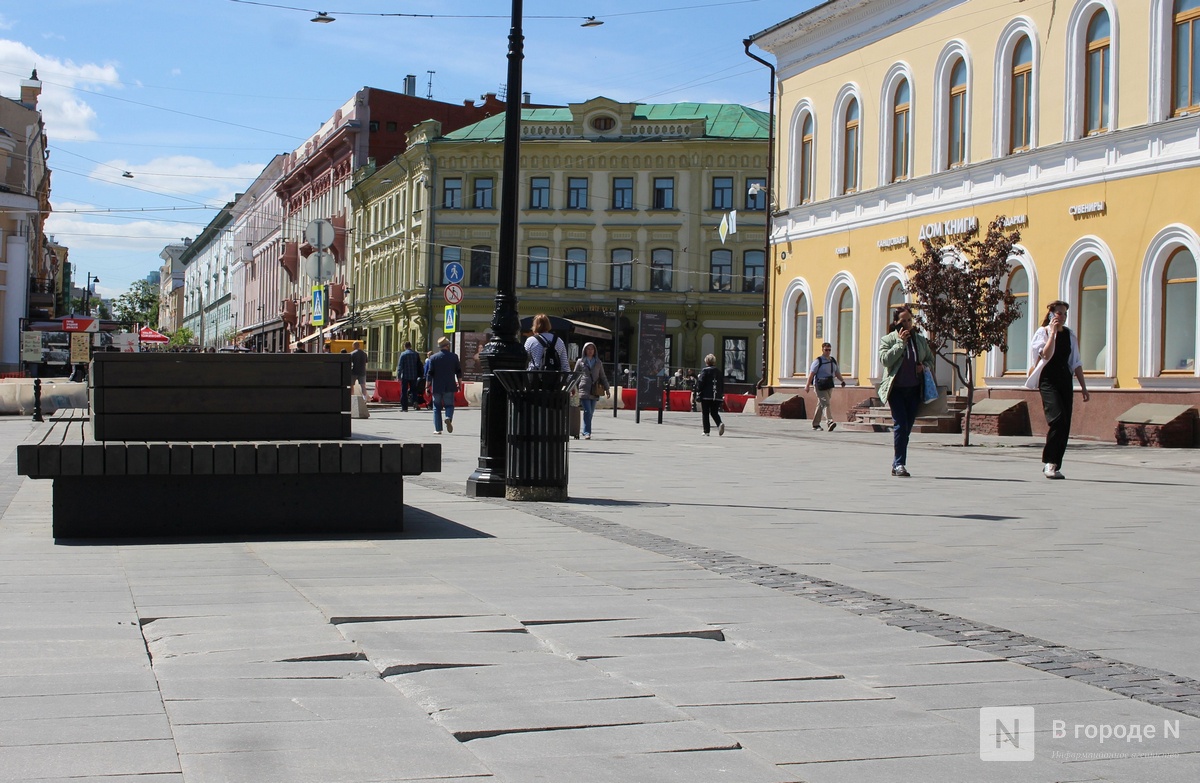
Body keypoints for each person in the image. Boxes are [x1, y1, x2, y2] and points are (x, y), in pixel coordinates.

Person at [1030, 301, 1090, 479]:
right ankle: (1048, 461)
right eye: (1058, 313)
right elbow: (1046, 355)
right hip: (1048, 380)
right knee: (1057, 418)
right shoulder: (1043, 333)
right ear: (1051, 314)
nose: (1062, 317)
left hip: (1065, 380)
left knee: (1065, 423)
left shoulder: (1070, 335)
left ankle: (1055, 465)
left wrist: (1084, 387)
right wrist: (1052, 334)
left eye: (1064, 314)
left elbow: (1076, 362)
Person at [878, 305, 935, 477]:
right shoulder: (888, 340)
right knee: (900, 425)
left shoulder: (919, 340)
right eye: (903, 321)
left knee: (907, 428)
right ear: (896, 322)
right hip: (895, 390)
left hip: (914, 390)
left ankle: (897, 463)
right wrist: (900, 344)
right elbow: (885, 361)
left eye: (909, 320)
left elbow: (930, 361)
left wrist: (923, 366)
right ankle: (900, 464)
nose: (907, 324)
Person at [805, 342, 846, 431]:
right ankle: (830, 421)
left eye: (829, 350)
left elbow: (837, 372)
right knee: (826, 403)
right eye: (826, 350)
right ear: (822, 350)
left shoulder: (833, 361)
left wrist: (842, 380)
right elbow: (811, 374)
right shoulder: (818, 361)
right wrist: (807, 385)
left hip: (829, 385)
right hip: (820, 385)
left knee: (821, 404)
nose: (828, 352)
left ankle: (815, 424)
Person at [573, 342, 610, 440]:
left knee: (591, 412)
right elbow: (575, 375)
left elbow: (602, 376)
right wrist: (572, 387)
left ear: (595, 351)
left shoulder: (598, 362)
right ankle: (587, 432)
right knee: (587, 411)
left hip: (595, 390)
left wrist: (607, 389)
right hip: (584, 388)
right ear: (584, 350)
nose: (590, 351)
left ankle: (585, 429)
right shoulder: (580, 361)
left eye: (592, 349)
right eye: (588, 349)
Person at [426, 337, 461, 434]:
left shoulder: (433, 358)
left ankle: (438, 429)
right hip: (450, 385)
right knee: (449, 405)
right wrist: (460, 384)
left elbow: (430, 373)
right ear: (447, 346)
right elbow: (458, 372)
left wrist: (427, 387)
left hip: (436, 386)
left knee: (436, 407)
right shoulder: (454, 357)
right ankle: (448, 417)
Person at [693, 353, 725, 436]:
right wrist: (721, 394)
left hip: (706, 395)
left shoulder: (705, 370)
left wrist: (698, 390)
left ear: (707, 361)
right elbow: (722, 383)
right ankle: (719, 423)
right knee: (714, 412)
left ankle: (706, 431)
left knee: (705, 413)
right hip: (717, 396)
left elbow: (701, 383)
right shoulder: (719, 372)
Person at [395, 341, 423, 412]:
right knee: (414, 391)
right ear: (410, 346)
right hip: (414, 375)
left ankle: (404, 407)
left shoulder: (403, 354)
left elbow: (400, 366)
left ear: (405, 346)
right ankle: (415, 402)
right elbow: (419, 365)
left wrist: (398, 376)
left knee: (404, 391)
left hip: (405, 376)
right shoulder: (415, 354)